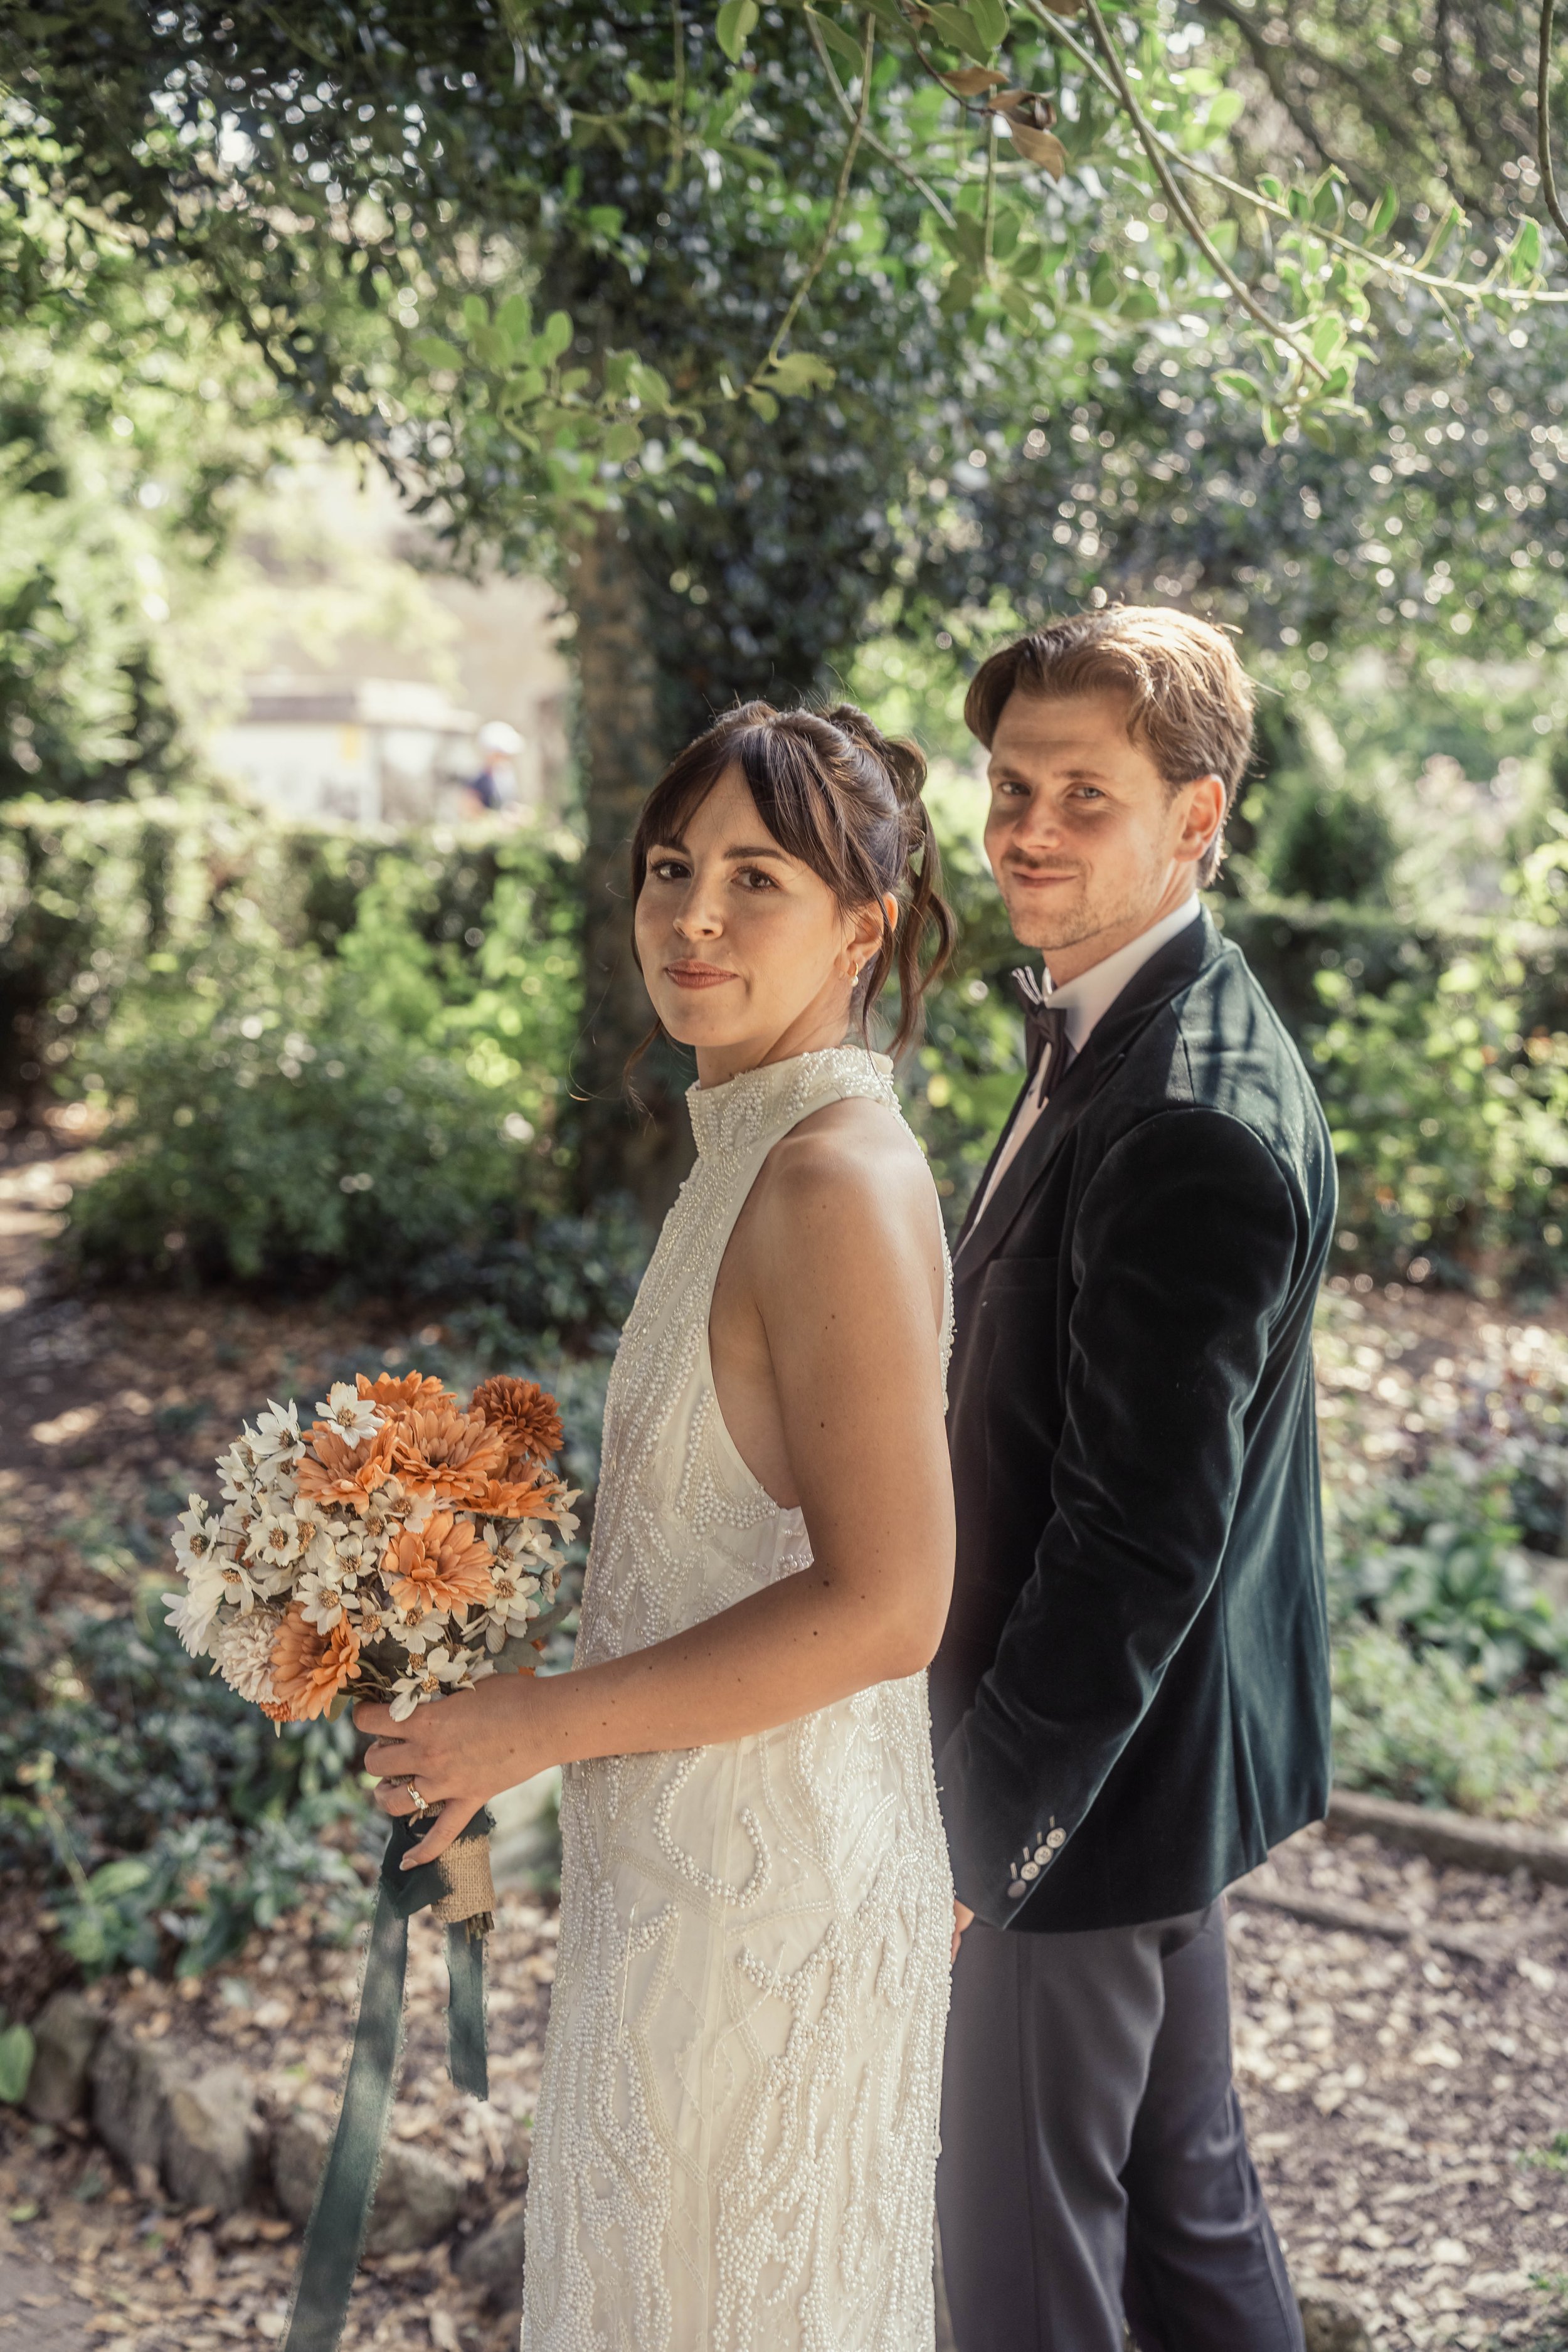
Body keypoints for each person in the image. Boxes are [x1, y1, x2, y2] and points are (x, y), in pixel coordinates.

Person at [357, 702, 958, 2350]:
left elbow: (888, 1605)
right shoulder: (744, 1149)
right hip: (679, 1882)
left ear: (864, 925)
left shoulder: (827, 1178)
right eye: (668, 868)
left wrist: (530, 1731)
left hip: (771, 1922)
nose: (691, 915)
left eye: (754, 879)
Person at [931, 608, 1335, 2352]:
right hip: (1160, 1783)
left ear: (1197, 816)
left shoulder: (1187, 1110)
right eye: (1010, 784)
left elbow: (1130, 1547)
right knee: (1183, 2220)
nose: (1022, 828)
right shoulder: (1147, 1014)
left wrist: (971, 1839)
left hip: (1074, 1805)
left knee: (1023, 2274)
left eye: (1081, 796)